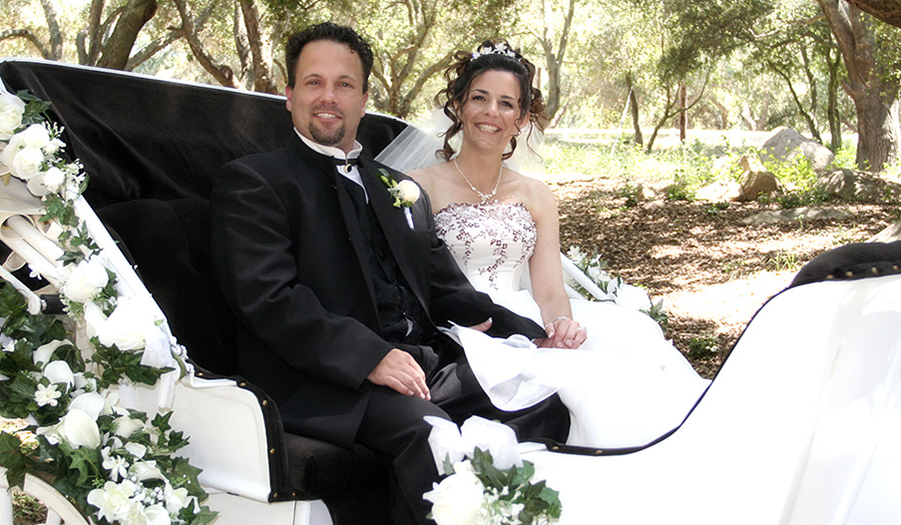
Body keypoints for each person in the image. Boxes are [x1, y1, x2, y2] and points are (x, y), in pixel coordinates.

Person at [210, 23, 569, 524]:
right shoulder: (255, 182)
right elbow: (269, 300)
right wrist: (371, 357)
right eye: (314, 82)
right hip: (326, 379)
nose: (328, 97)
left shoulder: (395, 186)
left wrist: (531, 337)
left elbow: (446, 287)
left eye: (344, 85)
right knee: (433, 436)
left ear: (363, 98)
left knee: (541, 399)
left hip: (419, 362)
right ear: (289, 95)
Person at [406, 40, 710, 448]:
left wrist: (559, 328)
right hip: (457, 326)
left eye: (507, 104)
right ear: (458, 106)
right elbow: (405, 279)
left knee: (626, 365)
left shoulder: (536, 194)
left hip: (525, 319)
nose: (491, 112)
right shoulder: (416, 185)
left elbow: (549, 289)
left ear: (521, 119)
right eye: (479, 98)